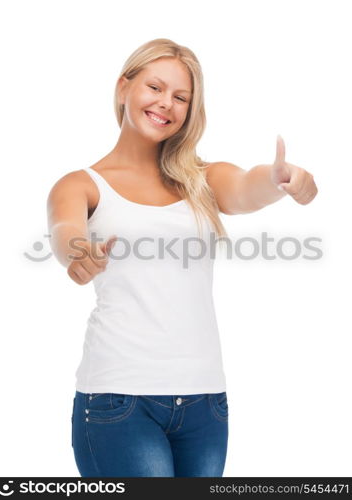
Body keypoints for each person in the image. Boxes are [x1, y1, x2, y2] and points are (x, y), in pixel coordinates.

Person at [46, 38, 318, 478]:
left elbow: (247, 187)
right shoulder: (81, 184)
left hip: (205, 404)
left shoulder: (202, 180)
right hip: (119, 402)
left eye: (180, 97)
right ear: (123, 88)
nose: (165, 104)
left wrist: (278, 180)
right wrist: (79, 255)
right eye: (154, 87)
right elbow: (65, 232)